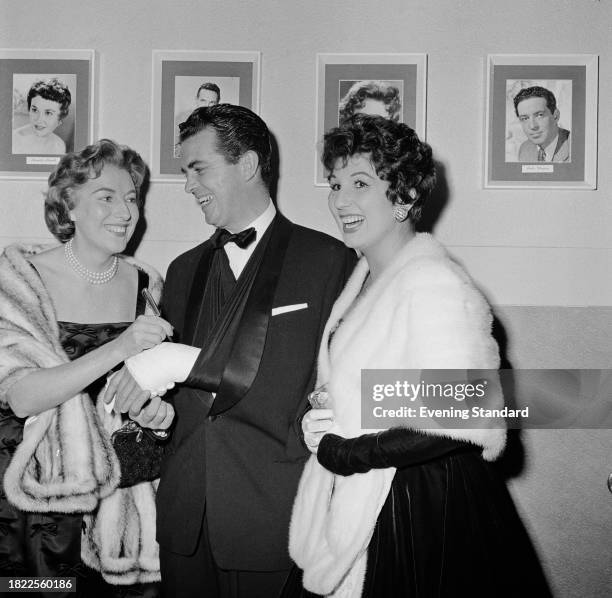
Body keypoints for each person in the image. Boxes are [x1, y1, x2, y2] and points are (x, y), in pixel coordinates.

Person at [286, 115, 553, 597]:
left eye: (361, 184)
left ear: (405, 197)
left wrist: (348, 450)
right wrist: (327, 410)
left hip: (418, 507)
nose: (340, 200)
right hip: (365, 494)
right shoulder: (364, 280)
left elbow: (466, 410)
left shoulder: (435, 282)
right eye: (336, 184)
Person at [105, 104, 356, 598]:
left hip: (272, 517)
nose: (189, 184)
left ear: (246, 165)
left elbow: (319, 389)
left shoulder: (328, 261)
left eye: (199, 168)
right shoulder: (180, 270)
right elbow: (181, 402)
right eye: (186, 172)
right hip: (183, 524)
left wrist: (173, 363)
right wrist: (157, 418)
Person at [0, 139, 174, 597]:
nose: (126, 211)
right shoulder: (21, 278)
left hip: (123, 504)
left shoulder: (148, 285)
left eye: (132, 198)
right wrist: (121, 345)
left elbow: (145, 391)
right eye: (106, 197)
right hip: (35, 503)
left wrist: (157, 415)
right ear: (69, 205)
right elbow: (21, 396)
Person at [12, 78, 71, 155]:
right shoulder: (14, 140)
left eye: (48, 113)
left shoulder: (59, 145)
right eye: (35, 110)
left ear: (59, 120)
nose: (39, 119)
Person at [514, 85, 570, 162]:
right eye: (525, 118)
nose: (533, 126)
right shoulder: (525, 149)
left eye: (540, 115)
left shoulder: (575, 146)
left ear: (555, 116)